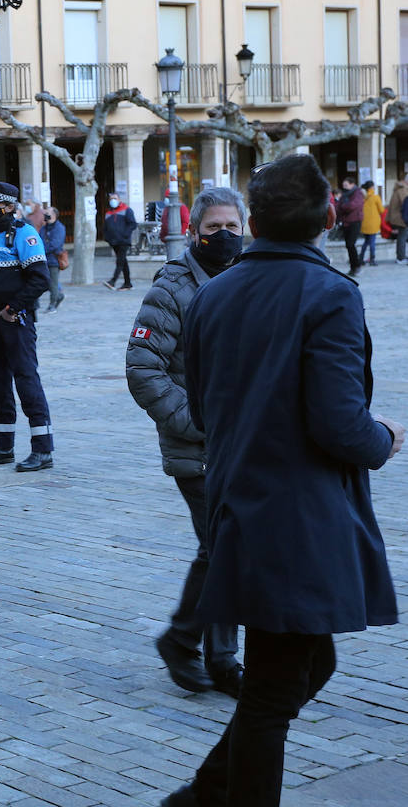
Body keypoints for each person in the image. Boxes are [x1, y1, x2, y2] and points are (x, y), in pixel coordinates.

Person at [163, 154, 405, 807]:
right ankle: (212, 796)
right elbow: (339, 424)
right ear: (328, 217)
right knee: (273, 692)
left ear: (256, 222)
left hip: (240, 498)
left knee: (309, 663)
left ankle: (202, 794)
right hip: (296, 517)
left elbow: (206, 406)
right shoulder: (330, 294)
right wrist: (382, 436)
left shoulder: (214, 293)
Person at [125, 188, 247, 701]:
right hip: (197, 449)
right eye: (214, 227)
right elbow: (142, 368)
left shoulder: (245, 281)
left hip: (240, 444)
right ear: (194, 230)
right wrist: (198, 421)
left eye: (233, 228)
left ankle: (219, 657)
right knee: (223, 547)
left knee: (227, 548)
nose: (224, 236)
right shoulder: (173, 289)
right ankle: (183, 641)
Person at [0, 182, 54, 472]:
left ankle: (42, 450)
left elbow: (40, 279)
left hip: (16, 321)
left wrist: (12, 308)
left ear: (7, 207)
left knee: (26, 381)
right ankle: (2, 447)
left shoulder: (25, 234)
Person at [102, 192, 137, 290]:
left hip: (123, 241)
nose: (113, 200)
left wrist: (125, 235)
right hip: (114, 242)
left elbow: (132, 224)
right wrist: (107, 238)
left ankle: (113, 281)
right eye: (111, 199)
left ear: (119, 199)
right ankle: (127, 283)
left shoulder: (127, 210)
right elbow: (105, 227)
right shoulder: (108, 213)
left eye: (115, 198)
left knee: (120, 261)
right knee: (123, 262)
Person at [334, 176, 364, 276]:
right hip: (346, 222)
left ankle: (357, 265)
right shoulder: (345, 194)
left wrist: (342, 207)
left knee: (351, 244)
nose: (344, 187)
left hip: (355, 221)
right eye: (343, 185)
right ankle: (353, 267)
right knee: (348, 245)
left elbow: (352, 205)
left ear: (352, 184)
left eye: (346, 185)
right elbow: (338, 206)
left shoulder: (358, 193)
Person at [39, 207, 66, 313]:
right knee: (46, 282)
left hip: (54, 260)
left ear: (54, 215)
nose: (45, 215)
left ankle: (52, 304)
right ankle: (59, 296)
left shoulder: (59, 228)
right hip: (44, 259)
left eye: (47, 213)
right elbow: (39, 240)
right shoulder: (44, 228)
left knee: (53, 283)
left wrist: (43, 249)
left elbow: (55, 244)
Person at [358, 180, 383, 266]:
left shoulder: (362, 197)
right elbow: (381, 210)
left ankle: (360, 258)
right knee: (372, 242)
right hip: (373, 223)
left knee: (366, 241)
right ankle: (372, 259)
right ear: (372, 187)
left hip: (364, 223)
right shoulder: (375, 197)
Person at [387, 172, 408, 263]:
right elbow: (406, 204)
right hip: (401, 218)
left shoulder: (401, 189)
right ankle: (401, 257)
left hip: (399, 217)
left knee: (402, 236)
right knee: (402, 237)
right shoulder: (403, 190)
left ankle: (401, 256)